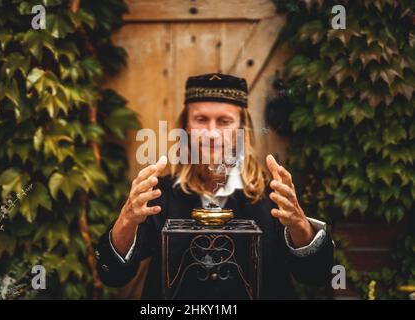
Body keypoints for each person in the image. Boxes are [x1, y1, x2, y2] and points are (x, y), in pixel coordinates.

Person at [96, 73, 334, 299]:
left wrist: (299, 224)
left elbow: (315, 274)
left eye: (224, 121)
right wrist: (127, 218)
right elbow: (113, 275)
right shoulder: (160, 193)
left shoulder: (274, 196)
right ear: (186, 128)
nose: (212, 134)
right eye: (201, 119)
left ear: (242, 129)